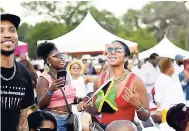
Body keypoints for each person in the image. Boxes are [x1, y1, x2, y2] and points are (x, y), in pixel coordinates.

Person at [78, 40, 150, 130]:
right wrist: (88, 108)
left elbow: (145, 117)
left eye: (117, 50)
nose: (112, 52)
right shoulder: (99, 81)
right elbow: (97, 110)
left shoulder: (135, 81)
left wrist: (138, 106)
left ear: (126, 58)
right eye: (110, 50)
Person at [0, 13, 34, 131]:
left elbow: (22, 119)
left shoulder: (24, 73)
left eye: (12, 30)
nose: (7, 35)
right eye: (1, 31)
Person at [36, 41, 77, 131]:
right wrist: (50, 90)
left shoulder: (66, 76)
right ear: (48, 60)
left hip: (69, 120)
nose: (61, 58)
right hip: (54, 121)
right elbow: (41, 105)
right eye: (56, 56)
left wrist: (80, 100)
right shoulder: (43, 79)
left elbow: (68, 98)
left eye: (61, 55)